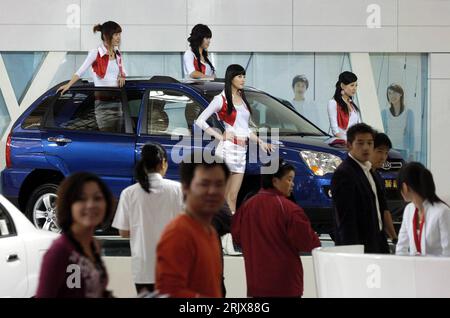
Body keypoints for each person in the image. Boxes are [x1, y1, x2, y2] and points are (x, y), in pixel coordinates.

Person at [232, 159, 320, 297]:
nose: (292, 184)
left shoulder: (246, 206)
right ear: (275, 181)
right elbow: (310, 243)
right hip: (285, 285)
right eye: (289, 179)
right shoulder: (290, 210)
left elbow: (237, 237)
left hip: (255, 284)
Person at [195, 64, 273, 214]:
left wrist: (261, 142)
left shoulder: (242, 99)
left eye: (244, 76)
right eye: (239, 76)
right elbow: (200, 120)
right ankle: (219, 233)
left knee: (233, 197)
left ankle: (231, 234)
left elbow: (245, 129)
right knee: (222, 197)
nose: (243, 79)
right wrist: (220, 136)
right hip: (227, 150)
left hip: (241, 151)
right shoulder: (220, 99)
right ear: (231, 78)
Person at [155, 151, 230, 298]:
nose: (213, 191)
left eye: (219, 184)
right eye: (204, 184)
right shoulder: (178, 234)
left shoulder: (210, 232)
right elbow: (169, 292)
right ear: (186, 187)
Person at [112, 143, 183, 295]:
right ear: (163, 163)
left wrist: (142, 230)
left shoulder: (129, 193)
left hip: (143, 268)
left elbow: (123, 232)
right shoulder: (178, 189)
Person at [36, 172, 114, 298]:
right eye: (81, 199)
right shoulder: (59, 251)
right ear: (68, 205)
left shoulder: (94, 245)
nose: (90, 205)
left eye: (97, 198)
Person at [57, 21, 127, 132]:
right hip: (103, 104)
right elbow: (81, 71)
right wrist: (68, 85)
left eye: (119, 34)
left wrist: (122, 76)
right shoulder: (96, 53)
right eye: (116, 34)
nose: (119, 38)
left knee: (117, 138)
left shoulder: (117, 53)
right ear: (106, 36)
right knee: (107, 138)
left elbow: (123, 71)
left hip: (117, 103)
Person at [330, 123, 390, 254]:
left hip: (376, 242)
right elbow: (345, 219)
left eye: (370, 143)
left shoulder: (370, 170)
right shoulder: (344, 173)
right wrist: (352, 253)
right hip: (358, 248)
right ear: (349, 145)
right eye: (360, 143)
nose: (366, 148)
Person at [396, 162, 450, 256]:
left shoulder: (442, 212)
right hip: (413, 268)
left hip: (439, 269)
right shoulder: (409, 210)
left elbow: (448, 252)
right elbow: (401, 249)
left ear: (404, 187)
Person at [368, 132, 398, 244]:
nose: (383, 157)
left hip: (377, 237)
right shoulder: (357, 175)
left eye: (386, 153)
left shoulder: (377, 176)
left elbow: (384, 209)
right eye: (379, 151)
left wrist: (394, 238)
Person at [381, 84, 415, 161]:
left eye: (394, 93)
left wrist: (412, 153)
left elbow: (411, 134)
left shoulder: (409, 112)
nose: (392, 95)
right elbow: (382, 133)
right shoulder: (384, 113)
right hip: (388, 150)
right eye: (389, 93)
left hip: (403, 151)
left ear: (400, 94)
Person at [327, 71, 362, 139]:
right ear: (342, 85)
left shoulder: (352, 104)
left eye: (356, 85)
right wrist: (348, 143)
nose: (354, 88)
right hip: (344, 144)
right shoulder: (333, 103)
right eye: (352, 85)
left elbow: (359, 126)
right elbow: (335, 131)